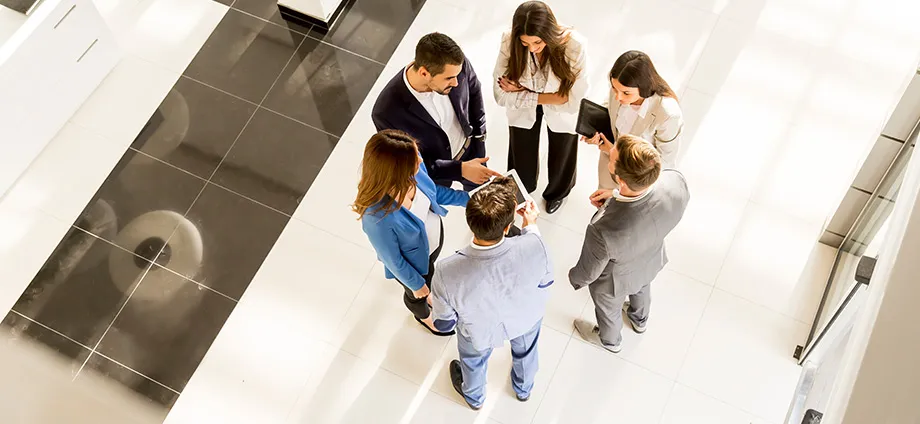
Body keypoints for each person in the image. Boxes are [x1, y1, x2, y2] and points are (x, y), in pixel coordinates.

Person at [430, 178, 553, 410]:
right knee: (527, 351)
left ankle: (474, 398)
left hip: (478, 331)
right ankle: (523, 389)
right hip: (525, 318)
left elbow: (444, 323)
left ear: (470, 223)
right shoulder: (534, 244)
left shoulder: (446, 271)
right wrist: (531, 226)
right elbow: (546, 281)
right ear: (507, 227)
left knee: (473, 361)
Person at [569, 134, 690, 353]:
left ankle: (610, 341)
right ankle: (639, 319)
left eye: (612, 159)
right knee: (642, 286)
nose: (610, 153)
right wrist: (616, 196)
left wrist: (574, 278)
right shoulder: (675, 182)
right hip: (651, 258)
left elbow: (587, 273)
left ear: (622, 180)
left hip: (615, 282)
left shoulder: (603, 228)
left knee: (609, 310)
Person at [353, 130, 469, 336]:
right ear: (394, 170)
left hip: (430, 246)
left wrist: (468, 200)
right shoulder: (376, 216)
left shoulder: (414, 170)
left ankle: (432, 294)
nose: (421, 160)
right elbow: (393, 260)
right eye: (415, 158)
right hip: (413, 265)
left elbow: (434, 192)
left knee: (432, 278)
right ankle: (423, 316)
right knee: (417, 295)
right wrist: (416, 285)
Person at [493, 1, 588, 214]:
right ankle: (521, 189)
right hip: (524, 109)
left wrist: (522, 91)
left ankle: (557, 193)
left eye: (537, 42)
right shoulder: (509, 40)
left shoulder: (575, 46)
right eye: (526, 44)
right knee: (521, 150)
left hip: (561, 113)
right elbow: (499, 95)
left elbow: (571, 101)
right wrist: (550, 97)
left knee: (563, 150)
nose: (533, 49)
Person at [372, 32, 500, 191]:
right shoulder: (386, 112)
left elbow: (474, 90)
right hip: (436, 175)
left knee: (484, 203)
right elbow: (409, 163)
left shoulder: (454, 65)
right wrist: (460, 170)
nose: (456, 82)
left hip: (472, 148)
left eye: (457, 76)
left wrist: (480, 136)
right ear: (424, 73)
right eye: (449, 79)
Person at [583, 51, 684, 193]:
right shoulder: (619, 85)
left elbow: (665, 163)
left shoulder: (667, 114)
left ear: (643, 86)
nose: (618, 97)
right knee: (603, 203)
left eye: (626, 93)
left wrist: (613, 151)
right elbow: (610, 106)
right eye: (614, 89)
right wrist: (596, 131)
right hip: (609, 163)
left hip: (635, 179)